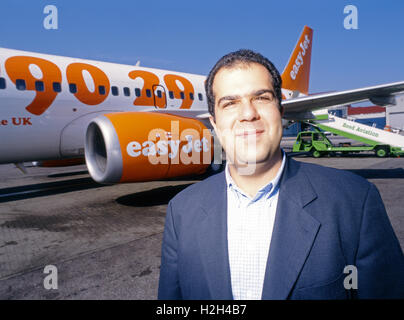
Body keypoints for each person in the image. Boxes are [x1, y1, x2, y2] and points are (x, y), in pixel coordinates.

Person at [158, 49, 404, 299]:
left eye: (262, 98)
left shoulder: (355, 202)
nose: (248, 114)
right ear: (214, 123)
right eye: (230, 103)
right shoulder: (181, 210)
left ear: (281, 111)